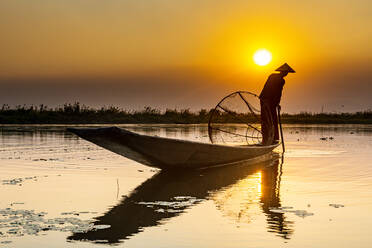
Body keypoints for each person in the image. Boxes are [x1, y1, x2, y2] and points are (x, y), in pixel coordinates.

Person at [259, 63, 295, 145]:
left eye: (287, 73)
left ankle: (269, 139)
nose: (286, 74)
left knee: (268, 119)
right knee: (270, 119)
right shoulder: (281, 80)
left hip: (266, 99)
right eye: (285, 72)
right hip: (268, 100)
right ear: (282, 72)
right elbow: (278, 93)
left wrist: (276, 103)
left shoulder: (272, 76)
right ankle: (270, 139)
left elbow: (274, 91)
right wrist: (276, 103)